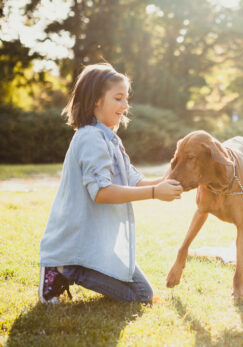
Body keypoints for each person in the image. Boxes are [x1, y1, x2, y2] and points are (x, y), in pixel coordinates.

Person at [38, 63, 183, 304]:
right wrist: (156, 193)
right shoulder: (90, 138)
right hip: (77, 240)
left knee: (142, 293)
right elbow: (102, 193)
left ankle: (74, 266)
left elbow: (135, 181)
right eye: (118, 98)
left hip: (98, 238)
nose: (125, 106)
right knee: (141, 296)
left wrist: (175, 175)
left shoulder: (109, 138)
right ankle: (63, 268)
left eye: (126, 99)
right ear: (96, 100)